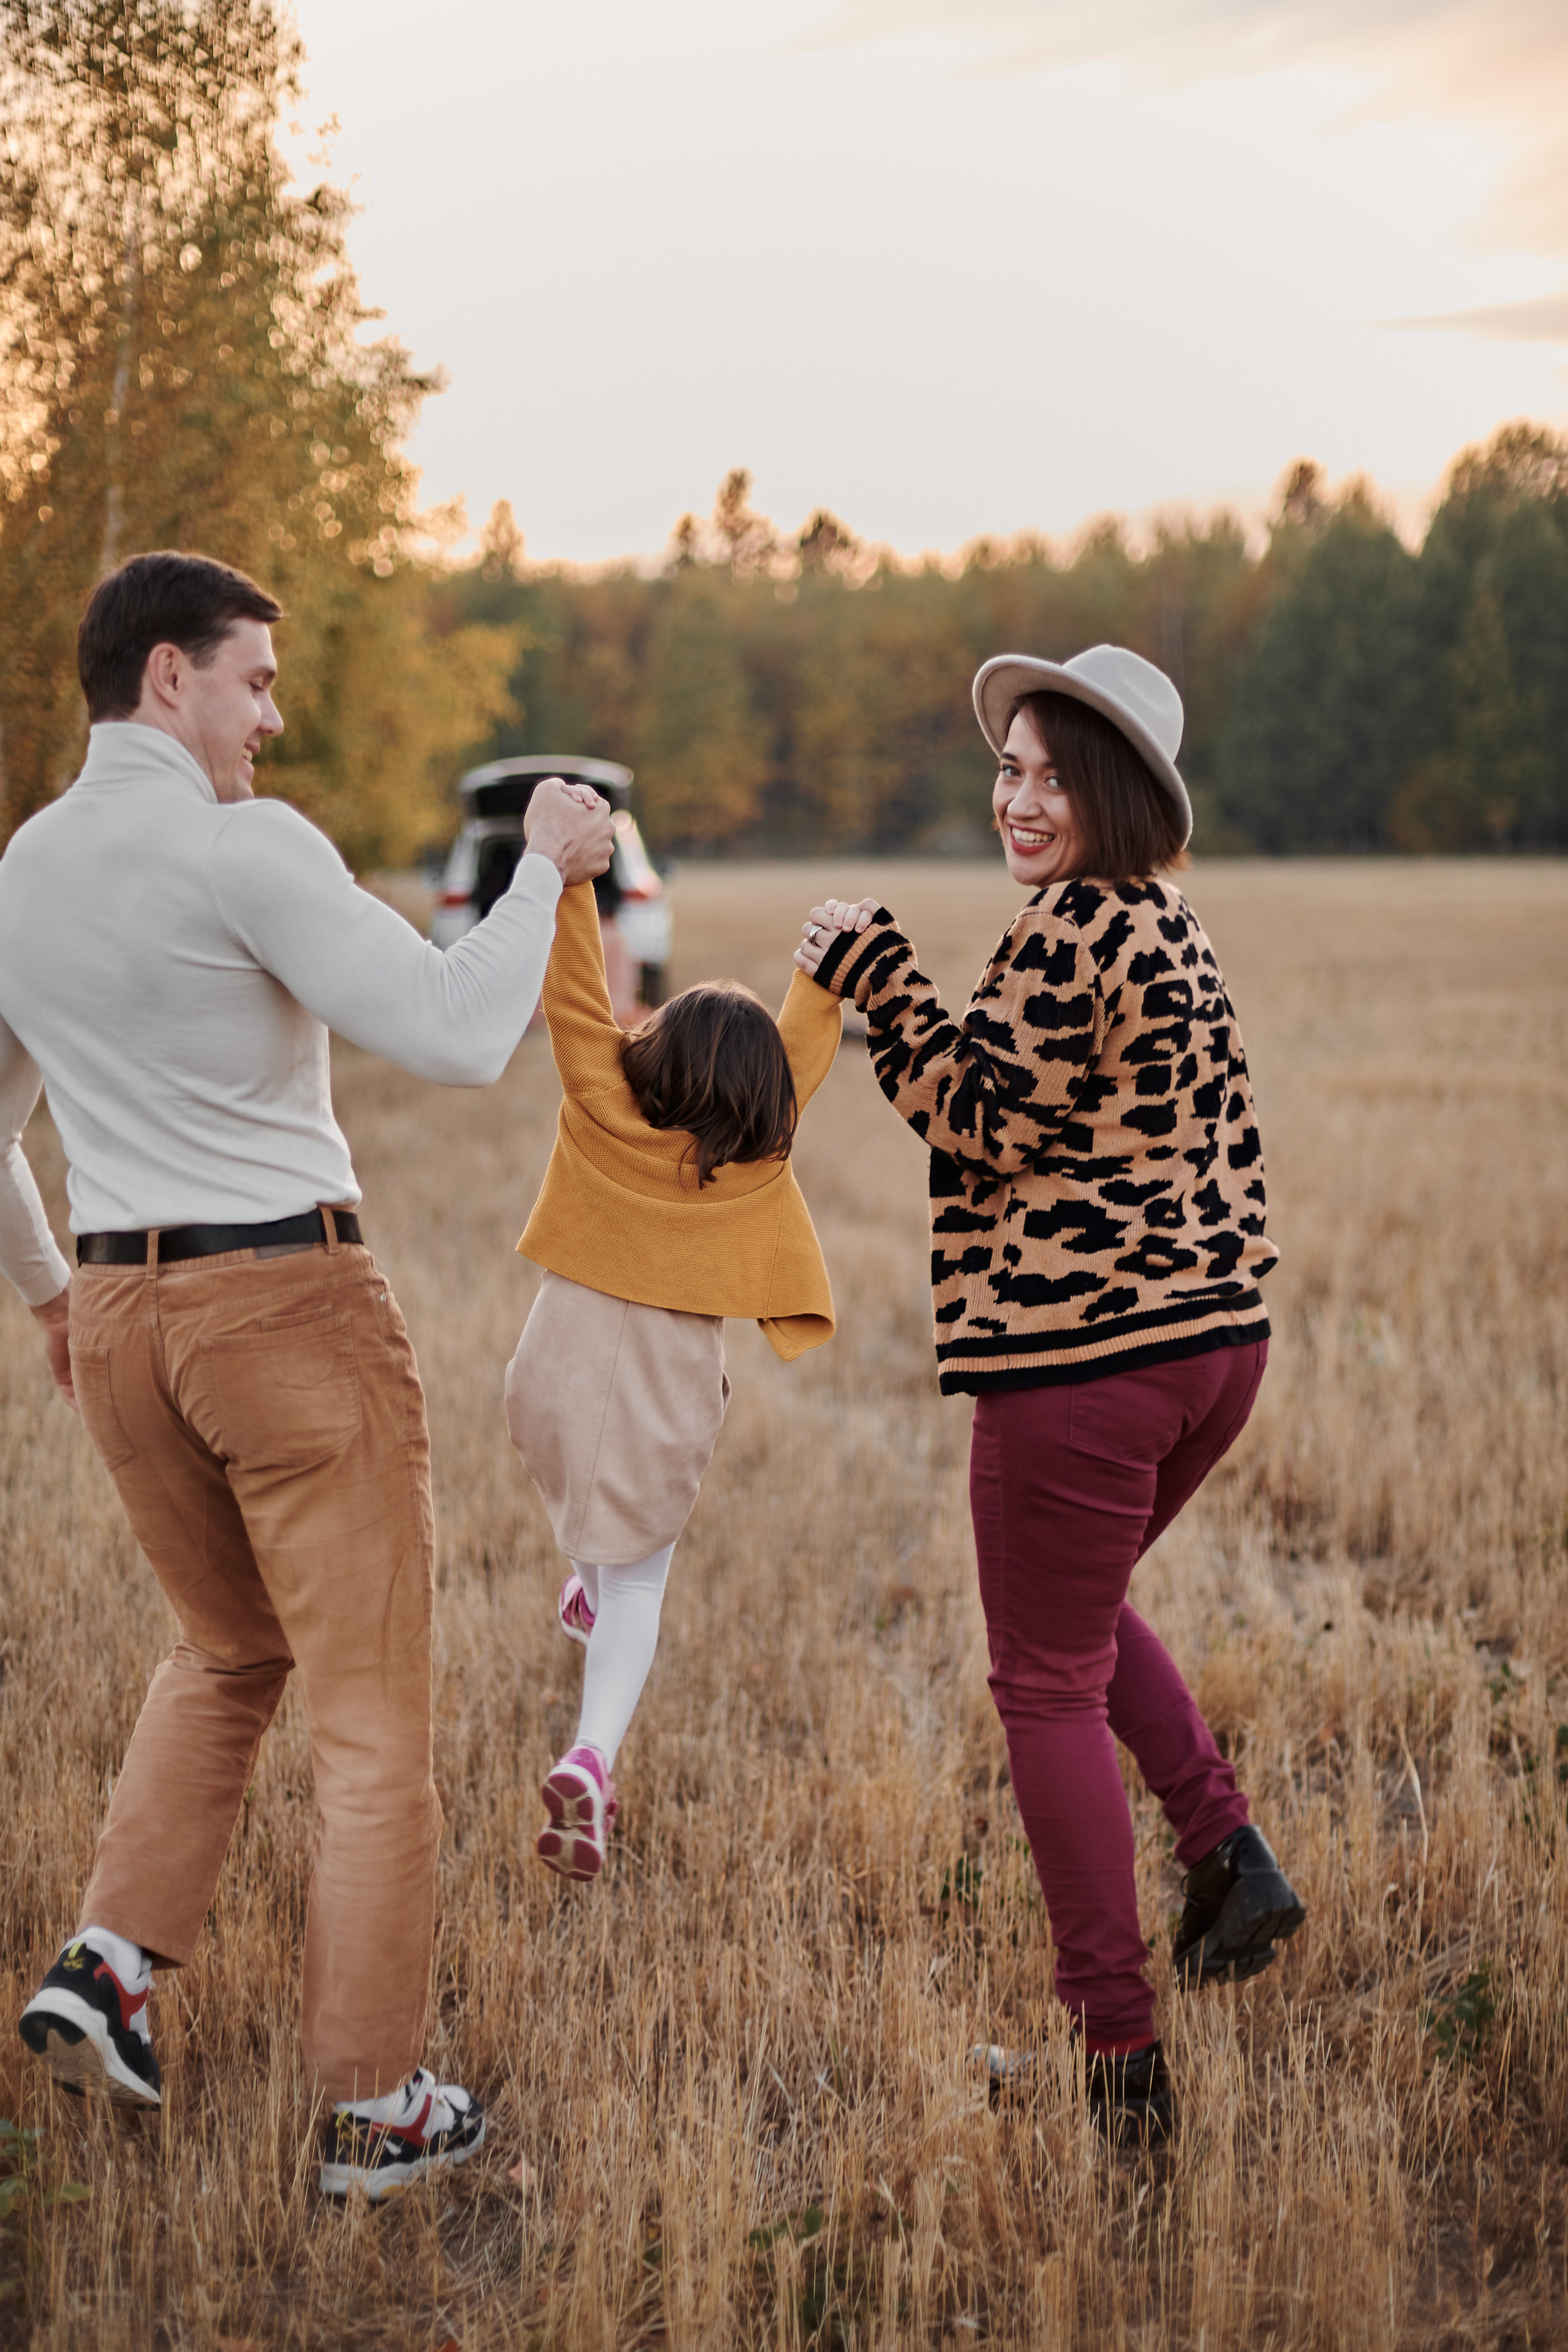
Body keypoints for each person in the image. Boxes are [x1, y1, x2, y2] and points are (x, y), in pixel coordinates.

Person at [1, 551, 614, 2199]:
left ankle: (110, 1968)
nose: (272, 718)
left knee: (226, 1647)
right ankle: (375, 2108)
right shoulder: (239, 843)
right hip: (287, 1308)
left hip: (124, 1325)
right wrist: (545, 868)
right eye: (254, 680)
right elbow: (457, 1033)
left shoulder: (23, 874)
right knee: (369, 1724)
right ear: (165, 679)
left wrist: (58, 1300)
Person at [794, 644, 1306, 2147]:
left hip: (1087, 1363)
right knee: (1070, 1630)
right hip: (1216, 1351)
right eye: (1007, 769)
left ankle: (1118, 2054)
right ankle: (1227, 1856)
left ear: (1114, 794)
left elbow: (972, 1118)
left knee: (1041, 1682)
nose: (1016, 798)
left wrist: (874, 970)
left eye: (1048, 774)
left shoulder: (1065, 934)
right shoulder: (1168, 927)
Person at [503, 878, 840, 1877]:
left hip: (551, 1371)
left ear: (650, 1052)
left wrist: (573, 884)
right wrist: (819, 972)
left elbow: (573, 1001)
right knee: (642, 1573)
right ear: (761, 1099)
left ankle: (584, 1594)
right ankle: (593, 1756)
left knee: (591, 1512)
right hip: (660, 1390)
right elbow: (801, 1057)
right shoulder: (753, 1158)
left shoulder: (603, 1109)